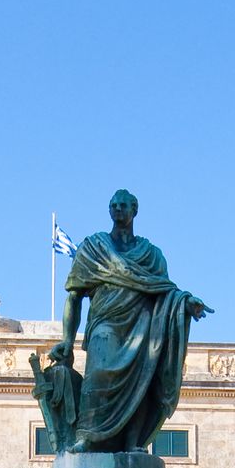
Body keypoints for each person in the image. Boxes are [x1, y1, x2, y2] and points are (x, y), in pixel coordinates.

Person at [45, 190, 211, 452]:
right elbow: (74, 297)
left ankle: (133, 443)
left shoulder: (151, 254)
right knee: (98, 374)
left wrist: (185, 302)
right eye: (113, 205)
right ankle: (87, 436)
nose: (118, 209)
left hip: (142, 324)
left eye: (123, 205)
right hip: (105, 321)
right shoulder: (93, 248)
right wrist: (67, 340)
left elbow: (166, 292)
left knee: (142, 379)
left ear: (135, 210)